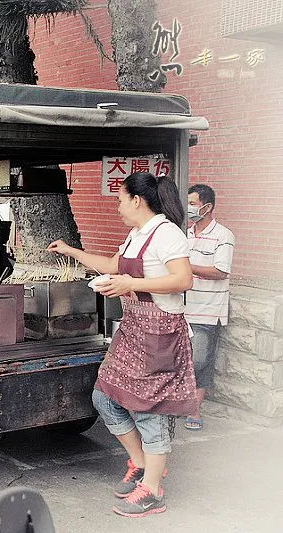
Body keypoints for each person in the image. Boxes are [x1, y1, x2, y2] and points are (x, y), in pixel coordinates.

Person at [48, 172, 197, 518]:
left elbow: (183, 279)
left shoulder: (167, 234)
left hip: (160, 334)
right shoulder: (136, 235)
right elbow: (113, 266)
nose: (117, 207)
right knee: (104, 396)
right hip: (133, 330)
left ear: (137, 200)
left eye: (119, 199)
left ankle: (153, 491)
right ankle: (142, 464)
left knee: (149, 410)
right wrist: (70, 251)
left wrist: (130, 281)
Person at [184, 184, 234, 431]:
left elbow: (220, 271)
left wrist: (186, 266)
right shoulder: (186, 234)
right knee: (181, 361)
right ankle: (180, 405)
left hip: (207, 310)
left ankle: (195, 411)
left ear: (207, 206)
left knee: (199, 360)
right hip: (182, 309)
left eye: (192, 203)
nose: (189, 208)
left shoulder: (224, 235)